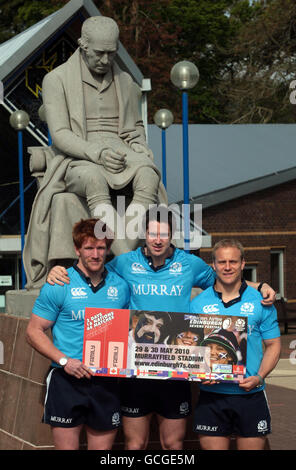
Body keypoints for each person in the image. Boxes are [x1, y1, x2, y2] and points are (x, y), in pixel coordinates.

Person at [47, 207, 276, 451]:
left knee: (173, 443)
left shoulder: (191, 264)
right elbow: (92, 269)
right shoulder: (124, 263)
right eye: (153, 233)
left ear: (172, 235)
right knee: (135, 443)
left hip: (175, 365)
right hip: (136, 368)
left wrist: (260, 285)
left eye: (164, 234)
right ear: (144, 234)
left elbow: (227, 277)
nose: (158, 240)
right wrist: (61, 270)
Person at [23, 15, 166, 289]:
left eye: (111, 53)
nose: (105, 60)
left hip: (122, 154)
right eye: (99, 53)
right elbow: (61, 135)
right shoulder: (57, 80)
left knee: (149, 175)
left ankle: (123, 255)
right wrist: (95, 152)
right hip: (79, 158)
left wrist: (138, 145)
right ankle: (129, 263)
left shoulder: (125, 82)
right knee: (93, 178)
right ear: (83, 45)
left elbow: (135, 128)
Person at [26, 219, 130, 450]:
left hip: (107, 380)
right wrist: (64, 361)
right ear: (77, 249)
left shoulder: (121, 287)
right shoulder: (59, 283)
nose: (95, 254)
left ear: (107, 249)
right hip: (67, 381)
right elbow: (33, 331)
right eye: (89, 248)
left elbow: (129, 331)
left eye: (101, 248)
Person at [190, 239, 281, 451]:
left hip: (251, 395)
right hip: (212, 396)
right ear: (213, 265)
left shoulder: (261, 301)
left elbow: (274, 345)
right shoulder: (198, 303)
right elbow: (191, 348)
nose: (228, 267)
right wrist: (198, 372)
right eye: (222, 262)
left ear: (242, 264)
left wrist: (259, 376)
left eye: (233, 261)